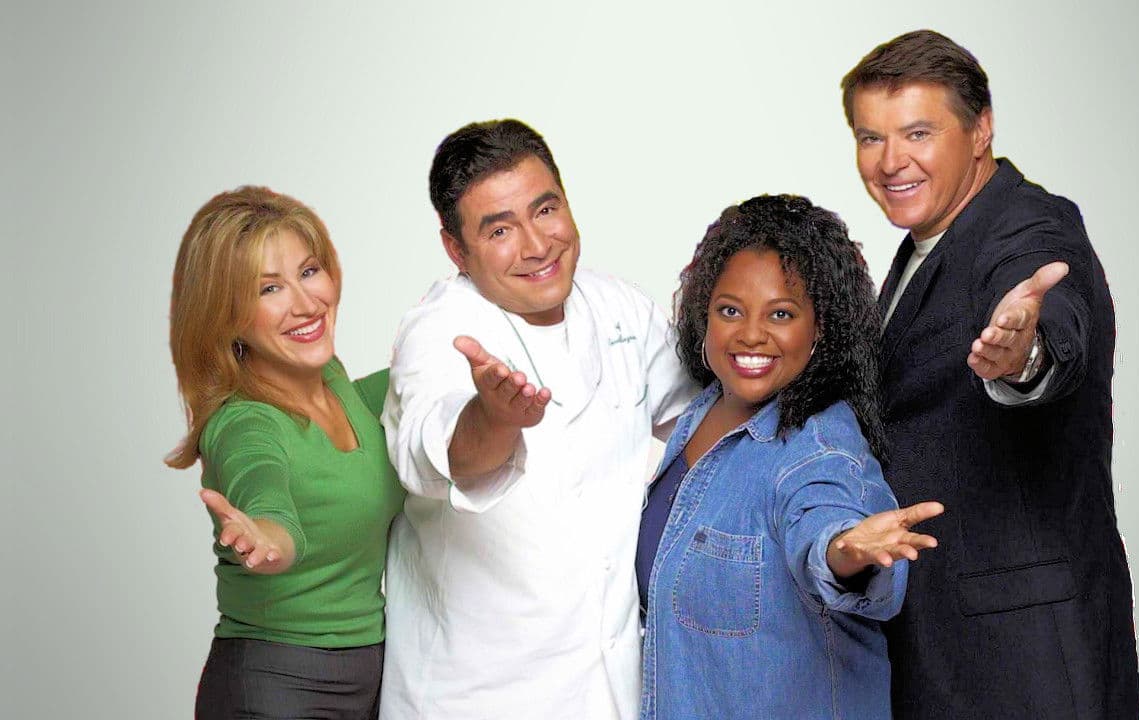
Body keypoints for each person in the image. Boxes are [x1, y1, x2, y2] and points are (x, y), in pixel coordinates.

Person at [839, 30, 1139, 719]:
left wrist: (1023, 356)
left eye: (918, 133)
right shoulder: (925, 245)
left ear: (981, 130)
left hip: (1021, 660)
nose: (890, 161)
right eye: (870, 137)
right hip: (945, 646)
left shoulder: (1024, 224)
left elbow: (1052, 316)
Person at [380, 119, 698, 720]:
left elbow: (700, 423)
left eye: (545, 210)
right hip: (478, 695)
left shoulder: (620, 307)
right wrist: (494, 419)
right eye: (500, 230)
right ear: (456, 249)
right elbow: (441, 453)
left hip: (612, 685)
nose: (536, 245)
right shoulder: (439, 331)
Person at [637, 194, 944, 720]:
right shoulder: (700, 411)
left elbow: (825, 520)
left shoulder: (819, 445)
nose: (751, 334)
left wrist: (843, 552)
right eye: (730, 310)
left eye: (781, 314)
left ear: (821, 328)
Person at [167, 186, 405, 719]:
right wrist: (268, 536)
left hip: (367, 679)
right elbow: (263, 487)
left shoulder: (333, 384)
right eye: (270, 288)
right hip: (273, 688)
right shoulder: (244, 423)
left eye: (309, 271)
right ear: (226, 315)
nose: (306, 303)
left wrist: (453, 351)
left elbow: (396, 389)